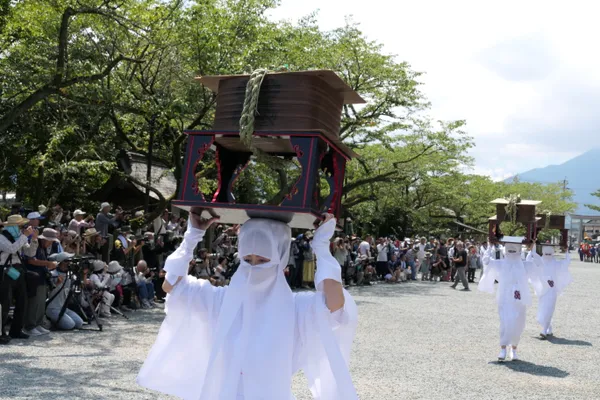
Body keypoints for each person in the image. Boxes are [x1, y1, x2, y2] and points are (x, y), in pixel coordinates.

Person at [137, 209, 358, 399]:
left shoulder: (295, 308)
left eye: (263, 261)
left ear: (280, 258)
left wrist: (321, 247)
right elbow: (171, 285)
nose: (253, 268)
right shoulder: (220, 300)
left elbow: (335, 304)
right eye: (247, 260)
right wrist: (192, 235)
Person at [479, 237, 543, 361]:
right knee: (505, 322)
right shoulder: (501, 264)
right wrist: (489, 245)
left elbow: (539, 264)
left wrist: (533, 249)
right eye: (509, 248)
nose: (512, 250)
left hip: (519, 298)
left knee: (518, 323)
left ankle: (514, 349)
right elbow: (486, 261)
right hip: (505, 297)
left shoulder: (525, 265)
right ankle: (503, 348)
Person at [0, 215, 35, 343]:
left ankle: (16, 330)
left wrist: (34, 240)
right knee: (5, 303)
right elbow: (11, 249)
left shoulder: (19, 237)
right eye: (20, 226)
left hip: (18, 269)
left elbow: (30, 253)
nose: (22, 228)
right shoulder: (2, 238)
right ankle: (1, 332)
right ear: (11, 226)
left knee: (22, 300)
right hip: (4, 271)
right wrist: (24, 236)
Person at [526, 244, 572, 339]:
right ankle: (548, 327)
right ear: (543, 253)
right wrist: (531, 249)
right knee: (543, 309)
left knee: (549, 309)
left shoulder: (556, 263)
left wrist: (567, 251)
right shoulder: (539, 262)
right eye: (546, 253)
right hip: (542, 290)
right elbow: (529, 261)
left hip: (552, 290)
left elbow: (566, 262)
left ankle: (544, 330)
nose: (547, 255)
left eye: (549, 253)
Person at [23, 227, 60, 336]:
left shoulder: (43, 247)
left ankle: (38, 323)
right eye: (50, 241)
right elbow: (31, 260)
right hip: (34, 278)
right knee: (34, 303)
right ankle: (30, 326)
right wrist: (48, 264)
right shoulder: (35, 245)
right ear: (44, 239)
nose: (51, 244)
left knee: (41, 302)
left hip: (42, 277)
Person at [46, 252, 84, 330]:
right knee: (70, 325)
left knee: (79, 323)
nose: (69, 263)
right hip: (53, 308)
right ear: (61, 262)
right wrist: (56, 284)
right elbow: (47, 291)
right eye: (67, 261)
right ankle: (49, 321)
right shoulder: (53, 274)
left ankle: (58, 321)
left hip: (63, 307)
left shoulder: (70, 275)